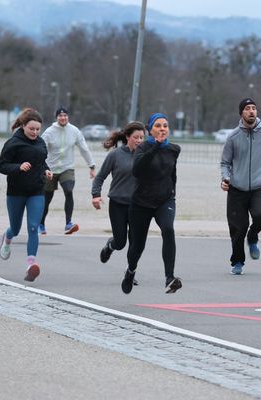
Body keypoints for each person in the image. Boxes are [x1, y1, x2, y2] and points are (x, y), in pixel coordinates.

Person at [121, 113, 182, 294]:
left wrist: (173, 193)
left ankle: (169, 278)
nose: (162, 128)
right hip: (141, 202)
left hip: (165, 200)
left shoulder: (174, 149)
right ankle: (131, 270)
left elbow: (172, 174)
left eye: (165, 125)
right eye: (158, 126)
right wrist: (155, 146)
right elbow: (137, 170)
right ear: (150, 130)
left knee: (168, 230)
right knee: (137, 246)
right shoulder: (143, 147)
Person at [220, 98, 261, 275]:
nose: (251, 111)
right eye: (247, 109)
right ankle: (237, 261)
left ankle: (253, 237)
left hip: (259, 187)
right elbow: (225, 162)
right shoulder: (233, 136)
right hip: (237, 188)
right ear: (241, 113)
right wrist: (225, 178)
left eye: (254, 108)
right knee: (238, 228)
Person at [0, 108, 53, 282]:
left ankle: (30, 265)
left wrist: (47, 171)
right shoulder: (13, 143)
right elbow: (1, 166)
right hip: (16, 191)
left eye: (38, 129)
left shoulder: (41, 142)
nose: (35, 132)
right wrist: (18, 167)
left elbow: (41, 162)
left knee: (33, 227)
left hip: (36, 190)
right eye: (32, 129)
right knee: (15, 227)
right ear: (23, 126)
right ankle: (7, 238)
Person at [91, 122, 145, 266]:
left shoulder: (146, 155)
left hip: (138, 205)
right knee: (120, 242)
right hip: (118, 203)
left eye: (141, 138)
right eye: (136, 137)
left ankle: (130, 272)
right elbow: (100, 177)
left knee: (135, 242)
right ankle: (110, 246)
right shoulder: (115, 155)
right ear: (127, 137)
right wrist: (96, 195)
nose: (139, 141)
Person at [39, 107, 96, 235]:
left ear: (68, 117)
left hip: (67, 168)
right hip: (50, 169)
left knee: (69, 191)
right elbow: (40, 148)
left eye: (65, 115)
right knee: (47, 197)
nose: (63, 118)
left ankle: (68, 223)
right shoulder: (49, 132)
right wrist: (40, 166)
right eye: (60, 116)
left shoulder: (74, 131)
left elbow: (84, 148)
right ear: (56, 118)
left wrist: (91, 165)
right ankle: (41, 224)